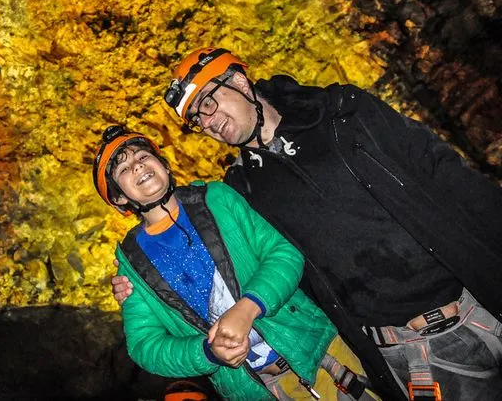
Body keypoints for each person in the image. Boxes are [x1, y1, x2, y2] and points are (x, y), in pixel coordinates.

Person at [112, 47, 502, 401]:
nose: (209, 122)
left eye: (209, 103)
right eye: (198, 118)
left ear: (239, 80)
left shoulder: (342, 113)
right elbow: (249, 258)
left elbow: (445, 172)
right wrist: (139, 286)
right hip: (413, 352)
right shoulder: (241, 191)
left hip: (479, 299)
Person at [94, 125, 375, 400]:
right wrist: (205, 352)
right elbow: (145, 346)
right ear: (119, 198)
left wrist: (248, 307)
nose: (138, 166)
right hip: (255, 390)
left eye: (143, 157)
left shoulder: (218, 198)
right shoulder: (132, 264)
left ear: (164, 166)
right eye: (123, 169)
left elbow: (283, 252)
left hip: (316, 348)